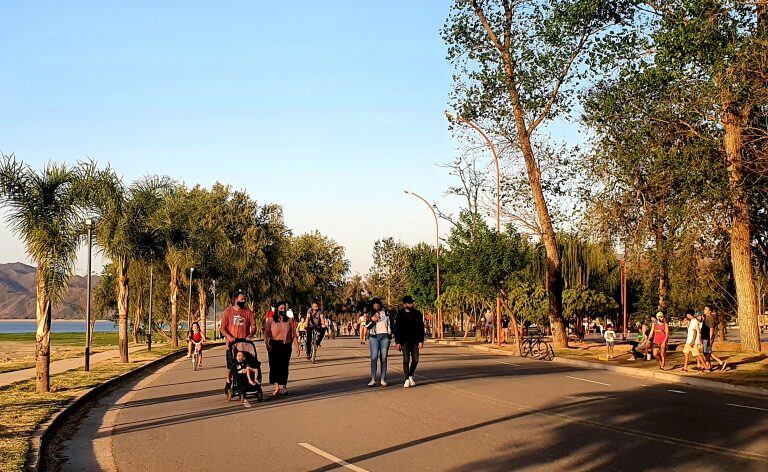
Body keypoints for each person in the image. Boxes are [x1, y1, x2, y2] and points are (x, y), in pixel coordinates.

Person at [220, 290, 257, 396]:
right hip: (232, 344)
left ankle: (248, 381)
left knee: (246, 364)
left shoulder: (248, 312)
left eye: (244, 299)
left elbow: (253, 326)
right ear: (236, 300)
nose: (243, 301)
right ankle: (228, 381)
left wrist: (250, 335)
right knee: (231, 365)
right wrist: (229, 336)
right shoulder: (228, 312)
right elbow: (222, 328)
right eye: (242, 299)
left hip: (244, 344)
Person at [264, 301, 294, 396]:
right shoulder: (271, 320)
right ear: (277, 309)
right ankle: (277, 387)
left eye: (284, 309)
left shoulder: (289, 320)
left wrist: (296, 346)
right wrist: (267, 343)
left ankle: (284, 387)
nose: (282, 310)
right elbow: (266, 332)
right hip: (274, 344)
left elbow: (293, 334)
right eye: (281, 309)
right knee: (274, 366)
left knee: (284, 366)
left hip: (286, 345)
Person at [395, 295, 425, 388]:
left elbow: (421, 327)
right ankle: (406, 379)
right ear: (404, 304)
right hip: (404, 341)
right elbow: (397, 329)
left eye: (412, 303)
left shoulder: (417, 313)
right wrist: (397, 342)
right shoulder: (400, 314)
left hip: (415, 340)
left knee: (415, 360)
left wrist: (421, 341)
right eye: (409, 303)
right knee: (406, 359)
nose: (411, 304)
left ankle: (410, 375)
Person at [366, 298, 391, 387]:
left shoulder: (386, 312)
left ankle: (383, 378)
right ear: (372, 305)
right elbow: (367, 326)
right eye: (374, 305)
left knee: (383, 358)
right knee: (374, 357)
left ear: (380, 304)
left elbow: (390, 324)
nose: (376, 306)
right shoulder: (369, 314)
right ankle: (373, 379)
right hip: (374, 337)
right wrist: (372, 320)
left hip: (385, 337)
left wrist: (390, 335)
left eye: (378, 304)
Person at [702, 305, 727, 371]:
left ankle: (721, 362)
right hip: (705, 337)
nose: (704, 310)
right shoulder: (706, 317)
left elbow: (711, 329)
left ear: (709, 311)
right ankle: (709, 367)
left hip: (708, 337)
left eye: (706, 309)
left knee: (707, 352)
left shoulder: (710, 318)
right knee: (706, 352)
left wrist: (709, 338)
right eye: (704, 309)